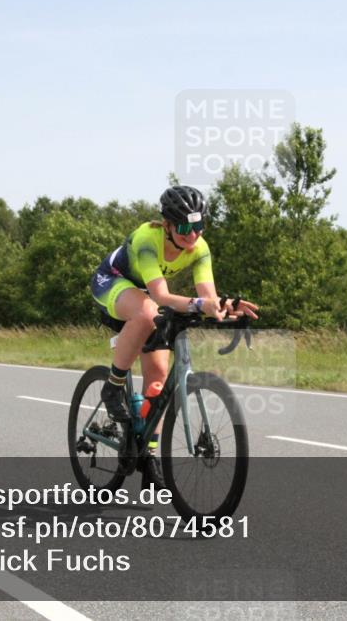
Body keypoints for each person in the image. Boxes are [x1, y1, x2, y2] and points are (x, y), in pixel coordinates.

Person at [89, 185, 259, 484]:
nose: (192, 235)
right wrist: (202, 304)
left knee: (158, 380)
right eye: (183, 227)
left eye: (198, 226)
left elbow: (208, 296)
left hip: (148, 294)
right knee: (146, 312)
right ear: (166, 224)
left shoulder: (200, 248)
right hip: (113, 282)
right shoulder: (146, 239)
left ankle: (147, 454)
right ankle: (113, 386)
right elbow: (163, 296)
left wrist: (224, 306)